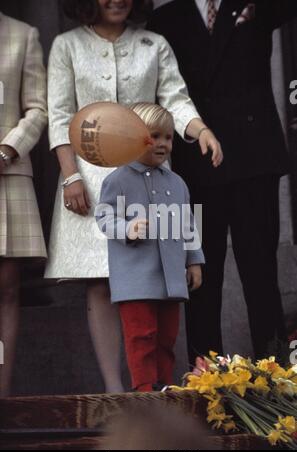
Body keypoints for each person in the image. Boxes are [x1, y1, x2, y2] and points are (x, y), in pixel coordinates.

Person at [45, 0, 222, 392]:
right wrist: (69, 177)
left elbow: (174, 97)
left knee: (153, 275)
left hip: (150, 177)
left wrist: (200, 129)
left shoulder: (153, 43)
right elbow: (59, 114)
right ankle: (114, 390)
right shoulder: (67, 45)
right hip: (89, 177)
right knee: (100, 280)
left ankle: (154, 387)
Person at [148, 0, 297, 362]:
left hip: (253, 158)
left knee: (261, 275)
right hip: (196, 165)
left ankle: (276, 382)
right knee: (201, 278)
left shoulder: (258, 4)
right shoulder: (166, 18)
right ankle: (207, 386)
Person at [96, 103, 205, 392]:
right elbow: (104, 216)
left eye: (168, 137)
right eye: (154, 136)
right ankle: (144, 391)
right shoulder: (117, 180)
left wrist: (194, 261)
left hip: (171, 278)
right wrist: (127, 228)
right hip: (135, 279)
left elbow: (188, 223)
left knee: (167, 338)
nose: (162, 144)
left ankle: (165, 389)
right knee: (141, 337)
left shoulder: (177, 182)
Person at [0, 11, 47, 396]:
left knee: (7, 286)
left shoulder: (22, 34)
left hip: (6, 170)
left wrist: (7, 149)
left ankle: (2, 395)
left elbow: (38, 108)